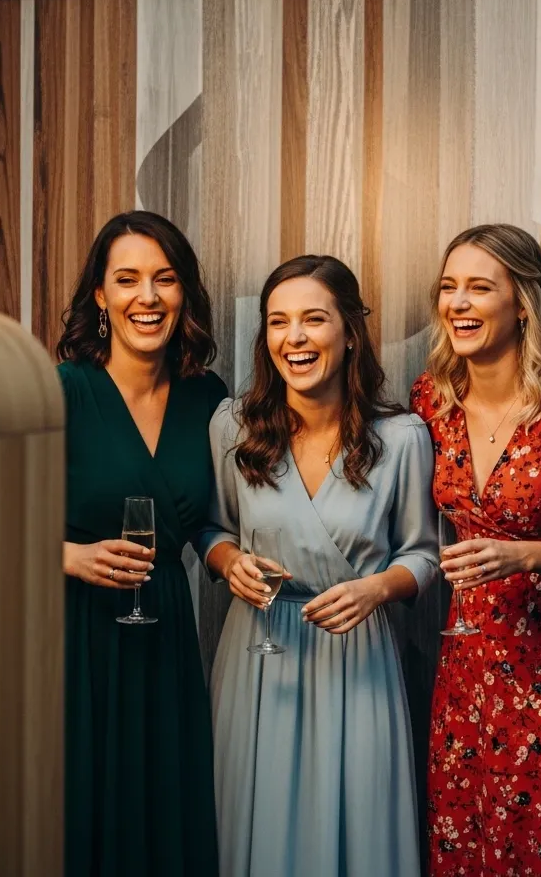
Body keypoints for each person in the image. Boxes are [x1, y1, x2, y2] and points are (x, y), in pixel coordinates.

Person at [199, 254, 439, 877]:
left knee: (358, 826)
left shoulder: (403, 437)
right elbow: (212, 528)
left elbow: (424, 553)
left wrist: (376, 588)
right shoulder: (233, 425)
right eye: (278, 322)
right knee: (258, 823)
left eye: (313, 319)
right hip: (260, 653)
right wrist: (229, 565)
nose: (294, 338)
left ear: (350, 331)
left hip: (356, 656)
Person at [411, 223, 541, 877]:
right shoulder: (431, 403)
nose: (459, 303)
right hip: (466, 660)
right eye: (449, 288)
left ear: (522, 301)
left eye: (479, 287)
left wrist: (521, 555)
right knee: (463, 830)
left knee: (539, 838)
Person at [57, 210, 225, 877]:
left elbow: (223, 519)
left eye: (165, 279)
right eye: (127, 280)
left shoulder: (208, 398)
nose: (147, 298)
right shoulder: (61, 391)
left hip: (164, 637)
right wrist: (67, 556)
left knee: (162, 825)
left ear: (184, 292)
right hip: (75, 637)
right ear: (100, 295)